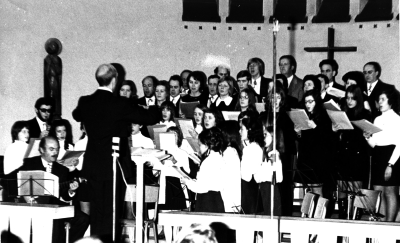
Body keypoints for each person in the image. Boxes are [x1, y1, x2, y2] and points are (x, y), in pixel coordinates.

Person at [72, 63, 159, 240]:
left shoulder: (85, 101)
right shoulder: (120, 103)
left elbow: (76, 115)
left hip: (93, 166)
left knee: (97, 213)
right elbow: (150, 117)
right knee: (112, 213)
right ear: (114, 80)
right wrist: (155, 106)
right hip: (114, 166)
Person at [18, 136, 89, 243]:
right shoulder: (29, 163)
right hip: (32, 204)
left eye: (57, 149)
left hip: (53, 204)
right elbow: (18, 183)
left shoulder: (61, 169)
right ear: (41, 149)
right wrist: (27, 197)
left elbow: (65, 195)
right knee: (54, 219)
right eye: (51, 149)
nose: (55, 152)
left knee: (83, 219)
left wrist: (71, 191)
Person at [333, 85, 371, 219]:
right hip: (343, 155)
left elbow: (368, 137)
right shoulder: (343, 113)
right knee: (342, 189)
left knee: (356, 190)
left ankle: (356, 217)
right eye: (347, 98)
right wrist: (335, 130)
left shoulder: (365, 114)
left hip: (358, 156)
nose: (349, 101)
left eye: (352, 98)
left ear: (358, 99)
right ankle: (343, 216)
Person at [364, 89, 400, 222]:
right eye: (379, 100)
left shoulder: (397, 119)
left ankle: (390, 224)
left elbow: (399, 144)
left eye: (382, 99)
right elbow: (375, 143)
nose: (379, 102)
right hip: (378, 155)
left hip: (392, 157)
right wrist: (367, 137)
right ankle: (381, 222)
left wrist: (390, 164)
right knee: (378, 191)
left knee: (390, 192)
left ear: (390, 101)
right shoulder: (377, 119)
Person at [294, 90, 334, 197]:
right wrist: (298, 133)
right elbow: (303, 140)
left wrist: (315, 127)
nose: (307, 104)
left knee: (317, 189)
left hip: (318, 159)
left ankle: (319, 213)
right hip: (306, 158)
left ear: (316, 102)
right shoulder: (305, 115)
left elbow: (327, 139)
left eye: (311, 101)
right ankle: (310, 213)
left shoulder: (324, 116)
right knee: (308, 190)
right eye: (306, 102)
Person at [182, 127, 225, 213]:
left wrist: (187, 182)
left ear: (208, 145)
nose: (199, 148)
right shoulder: (219, 157)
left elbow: (201, 187)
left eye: (200, 145)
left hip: (207, 200)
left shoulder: (208, 161)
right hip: (217, 198)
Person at [239, 111, 263, 214]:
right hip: (251, 186)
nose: (240, 132)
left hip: (249, 187)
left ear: (249, 130)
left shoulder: (251, 148)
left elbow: (247, 174)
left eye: (242, 129)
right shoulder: (253, 146)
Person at [218, 121, 242, 213]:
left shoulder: (230, 152)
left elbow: (225, 177)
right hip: (228, 197)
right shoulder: (229, 151)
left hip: (229, 199)